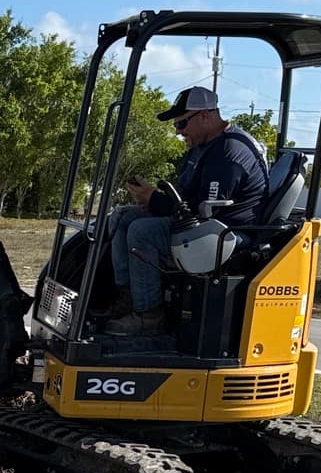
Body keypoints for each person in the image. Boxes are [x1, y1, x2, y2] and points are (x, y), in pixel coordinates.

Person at [100, 86, 270, 336]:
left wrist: (156, 202)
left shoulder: (228, 152)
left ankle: (149, 315)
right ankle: (128, 297)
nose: (179, 132)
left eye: (181, 124)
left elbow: (205, 210)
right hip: (203, 225)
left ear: (205, 115)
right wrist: (151, 198)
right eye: (176, 126)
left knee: (141, 231)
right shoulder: (203, 147)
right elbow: (185, 196)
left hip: (223, 234)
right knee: (122, 216)